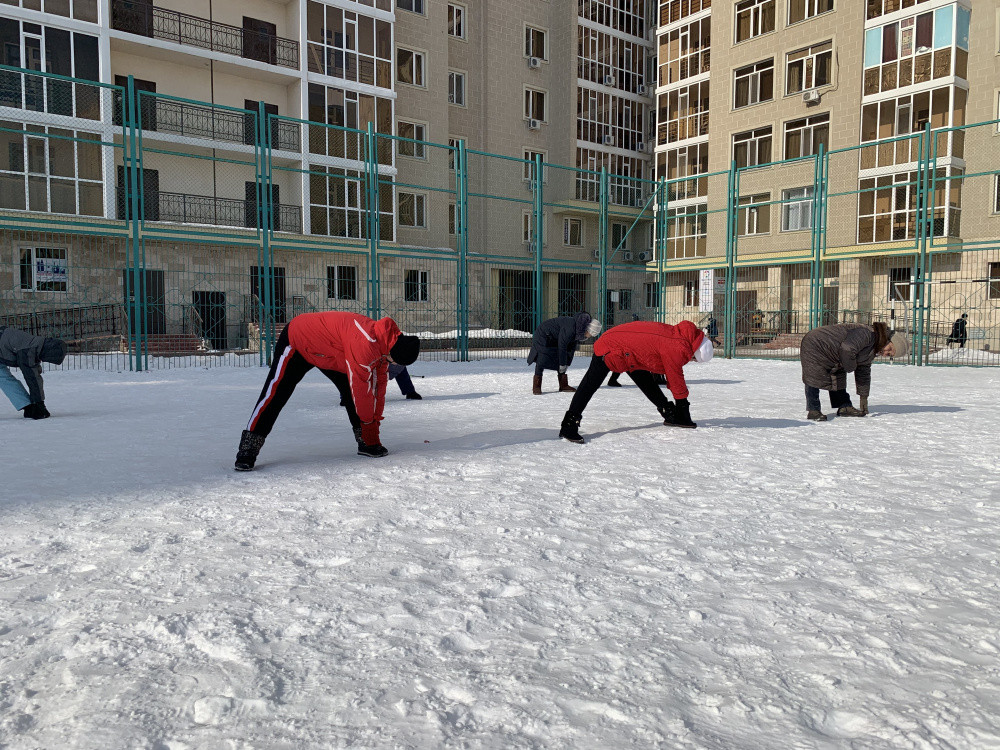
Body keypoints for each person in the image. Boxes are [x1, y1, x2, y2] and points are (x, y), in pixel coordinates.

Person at [234, 311, 420, 471]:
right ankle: (248, 449)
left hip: (329, 353)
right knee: (275, 393)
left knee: (350, 391)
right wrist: (370, 426)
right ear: (392, 354)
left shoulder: (384, 347)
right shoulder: (365, 342)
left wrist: (374, 429)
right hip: (298, 341)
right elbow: (362, 391)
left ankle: (365, 442)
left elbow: (378, 389)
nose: (395, 366)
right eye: (396, 362)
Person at [558, 320, 712, 443]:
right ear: (694, 352)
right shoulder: (678, 347)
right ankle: (569, 425)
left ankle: (669, 412)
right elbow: (675, 377)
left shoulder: (682, 335)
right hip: (612, 346)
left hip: (630, 350)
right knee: (590, 385)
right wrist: (683, 408)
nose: (691, 361)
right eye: (694, 359)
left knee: (647, 383)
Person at [799, 322, 909, 422]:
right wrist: (850, 367)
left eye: (889, 355)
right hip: (816, 342)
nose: (885, 353)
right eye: (889, 349)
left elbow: (863, 373)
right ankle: (813, 410)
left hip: (834, 351)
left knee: (838, 376)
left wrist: (863, 397)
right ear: (888, 340)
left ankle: (844, 406)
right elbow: (847, 349)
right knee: (814, 375)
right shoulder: (867, 334)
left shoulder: (872, 350)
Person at [0, 325, 67, 419]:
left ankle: (27, 406)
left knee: (3, 379)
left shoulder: (35, 345)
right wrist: (39, 403)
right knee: (3, 378)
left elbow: (34, 374)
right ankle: (28, 407)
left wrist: (37, 403)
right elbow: (32, 378)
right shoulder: (27, 350)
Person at [527, 311, 602, 395]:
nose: (590, 337)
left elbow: (570, 349)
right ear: (588, 330)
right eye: (591, 334)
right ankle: (537, 385)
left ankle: (563, 385)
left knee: (563, 357)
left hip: (555, 336)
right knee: (542, 356)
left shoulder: (578, 329)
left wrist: (567, 363)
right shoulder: (571, 328)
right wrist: (562, 364)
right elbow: (562, 346)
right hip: (544, 333)